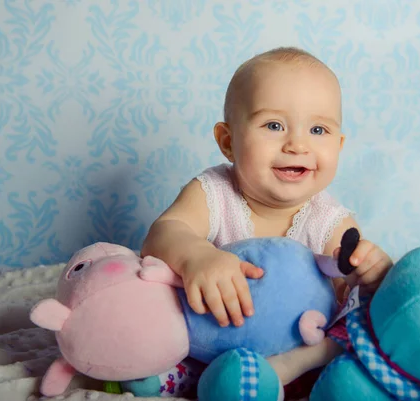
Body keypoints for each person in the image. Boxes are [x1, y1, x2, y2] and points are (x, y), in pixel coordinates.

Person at [141, 46, 393, 394]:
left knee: (357, 334)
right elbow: (164, 233)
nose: (297, 144)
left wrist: (371, 274)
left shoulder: (330, 221)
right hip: (211, 343)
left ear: (339, 144)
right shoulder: (213, 193)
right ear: (228, 142)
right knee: (149, 325)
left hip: (296, 353)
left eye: (318, 130)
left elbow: (346, 291)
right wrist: (196, 256)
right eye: (274, 125)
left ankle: (283, 380)